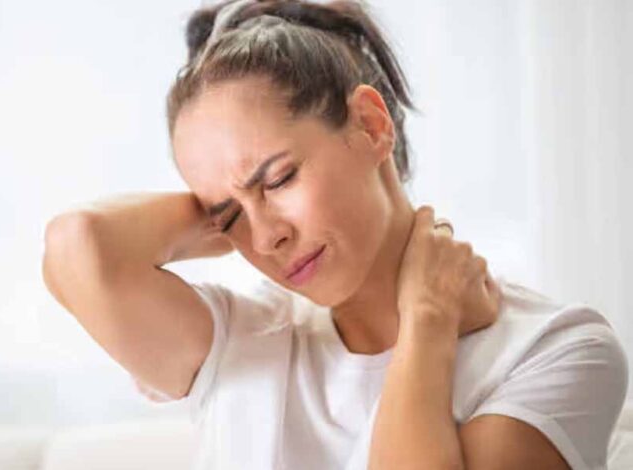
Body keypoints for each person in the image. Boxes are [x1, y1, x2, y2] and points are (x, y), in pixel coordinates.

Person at [41, 1, 629, 469]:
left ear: (370, 126)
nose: (264, 239)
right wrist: (228, 214)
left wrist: (427, 324)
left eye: (279, 178)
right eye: (228, 216)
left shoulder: (554, 350)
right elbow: (77, 246)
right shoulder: (241, 337)